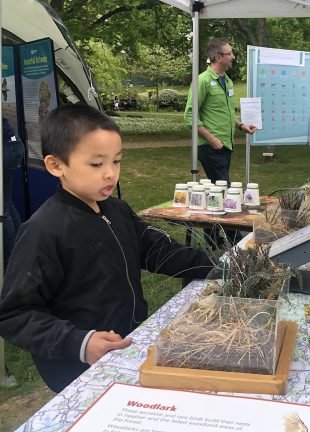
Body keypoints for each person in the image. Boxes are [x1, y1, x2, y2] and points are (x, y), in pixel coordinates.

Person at [0, 104, 218, 393]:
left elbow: (160, 251)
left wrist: (221, 267)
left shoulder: (117, 210)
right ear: (56, 165)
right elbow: (15, 313)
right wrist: (79, 342)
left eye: (116, 162)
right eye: (96, 164)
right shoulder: (44, 230)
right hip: (78, 370)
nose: (110, 174)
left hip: (129, 347)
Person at [184, 38, 257, 183]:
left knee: (220, 191)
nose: (233, 57)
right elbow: (189, 116)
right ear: (218, 57)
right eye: (229, 53)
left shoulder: (227, 81)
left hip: (225, 145)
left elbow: (226, 111)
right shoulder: (202, 81)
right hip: (212, 147)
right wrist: (213, 140)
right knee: (223, 191)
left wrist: (241, 125)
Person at [2, 118, 24, 270]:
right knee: (7, 202)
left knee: (2, 208)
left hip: (6, 149)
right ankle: (22, 245)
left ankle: (10, 260)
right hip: (13, 145)